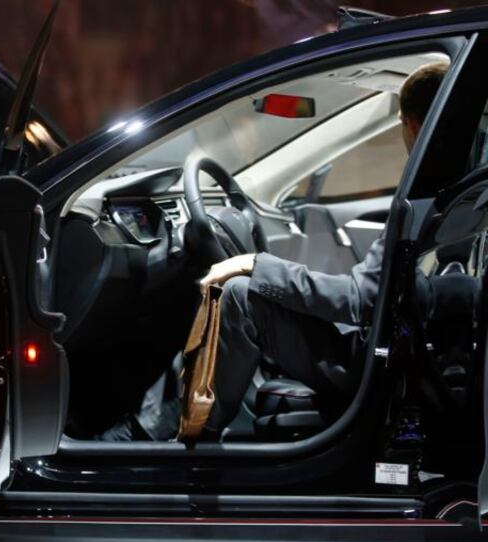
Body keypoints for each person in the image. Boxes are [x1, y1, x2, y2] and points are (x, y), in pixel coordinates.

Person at [105, 62, 449, 441]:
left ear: (413, 126)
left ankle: (169, 437)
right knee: (256, 291)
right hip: (397, 348)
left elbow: (359, 298)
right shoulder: (447, 195)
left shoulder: (422, 199)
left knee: (235, 297)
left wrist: (255, 264)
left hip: (377, 359)